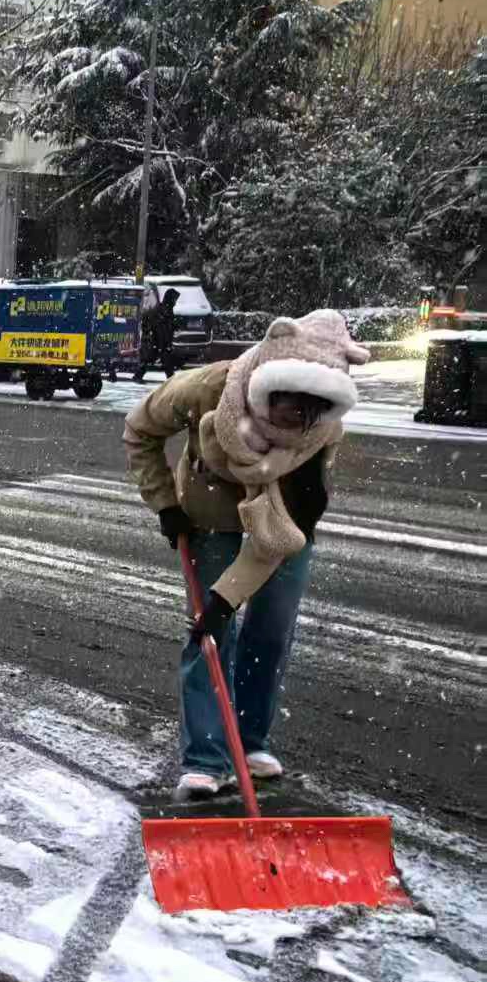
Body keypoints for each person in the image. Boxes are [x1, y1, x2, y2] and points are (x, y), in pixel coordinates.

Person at [123, 310, 368, 801]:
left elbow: (281, 539)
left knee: (271, 630)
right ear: (265, 389)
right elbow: (140, 429)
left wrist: (226, 598)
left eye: (309, 414)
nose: (294, 426)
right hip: (208, 515)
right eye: (286, 409)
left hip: (282, 527)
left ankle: (250, 740)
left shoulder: (321, 433)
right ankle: (207, 758)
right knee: (210, 637)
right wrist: (165, 505)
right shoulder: (208, 388)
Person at [136, 287, 180, 382]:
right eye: (174, 299)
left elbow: (167, 325)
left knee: (153, 360)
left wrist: (174, 326)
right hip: (158, 341)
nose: (175, 301)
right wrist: (161, 343)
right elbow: (159, 327)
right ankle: (171, 379)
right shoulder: (163, 310)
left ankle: (139, 375)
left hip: (161, 342)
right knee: (159, 360)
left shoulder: (167, 309)